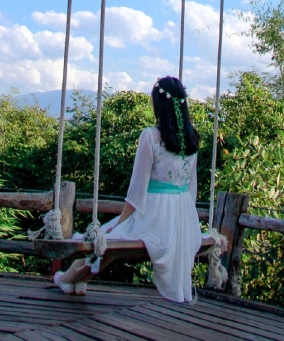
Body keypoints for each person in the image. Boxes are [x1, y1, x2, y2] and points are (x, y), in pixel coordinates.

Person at [54, 75, 203, 303]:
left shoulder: (151, 137)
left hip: (154, 214)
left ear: (158, 104)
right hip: (182, 216)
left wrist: (122, 221)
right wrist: (186, 220)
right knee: (112, 235)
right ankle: (79, 280)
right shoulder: (192, 140)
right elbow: (190, 188)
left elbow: (137, 190)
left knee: (110, 234)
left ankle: (67, 278)